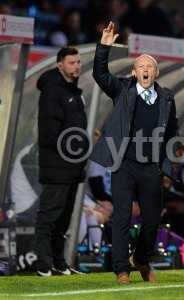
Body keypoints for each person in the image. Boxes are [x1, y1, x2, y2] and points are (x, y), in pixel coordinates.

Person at [91, 22, 178, 285]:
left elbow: (171, 137)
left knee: (152, 220)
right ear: (133, 72)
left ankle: (141, 258)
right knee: (122, 217)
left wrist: (167, 169)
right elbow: (100, 75)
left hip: (151, 167)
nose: (145, 70)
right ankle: (121, 269)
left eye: (149, 67)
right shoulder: (122, 90)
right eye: (140, 67)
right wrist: (104, 46)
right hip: (124, 163)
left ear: (156, 72)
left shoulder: (167, 99)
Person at [35, 47, 88, 277]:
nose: (76, 66)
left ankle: (58, 262)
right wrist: (75, 146)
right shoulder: (52, 92)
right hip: (57, 164)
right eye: (71, 62)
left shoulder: (73, 92)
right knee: (49, 214)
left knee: (64, 217)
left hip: (72, 164)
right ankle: (43, 264)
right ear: (60, 65)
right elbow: (49, 133)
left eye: (78, 62)